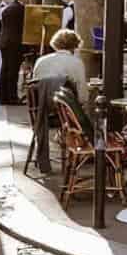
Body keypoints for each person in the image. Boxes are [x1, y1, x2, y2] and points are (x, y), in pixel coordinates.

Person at [27, 30, 91, 173]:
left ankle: (62, 140)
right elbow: (82, 97)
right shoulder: (76, 63)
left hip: (40, 112)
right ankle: (81, 148)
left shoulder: (41, 61)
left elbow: (36, 88)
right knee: (83, 108)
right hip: (65, 115)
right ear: (74, 46)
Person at [0, 0, 27, 107]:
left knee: (5, 70)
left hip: (5, 42)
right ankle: (12, 97)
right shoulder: (21, 9)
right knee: (13, 71)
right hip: (15, 44)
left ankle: (3, 97)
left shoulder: (7, 9)